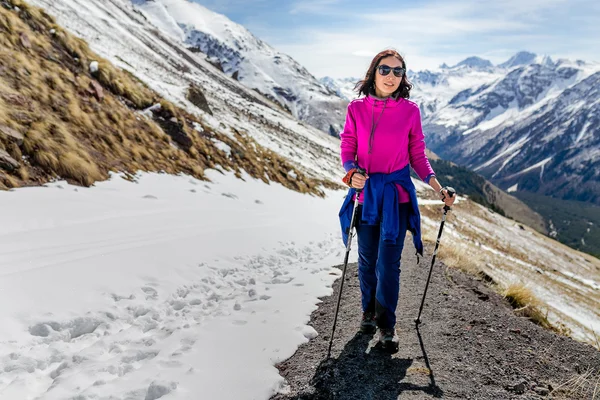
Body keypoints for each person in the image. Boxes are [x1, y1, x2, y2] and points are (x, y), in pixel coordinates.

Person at [338, 49, 456, 352]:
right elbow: (348, 147)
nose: (391, 76)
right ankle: (368, 311)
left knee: (388, 265)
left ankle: (387, 325)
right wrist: (351, 173)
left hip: (396, 197)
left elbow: (418, 155)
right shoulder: (356, 108)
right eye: (385, 69)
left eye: (398, 71)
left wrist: (438, 188)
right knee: (366, 261)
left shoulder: (410, 111)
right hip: (365, 195)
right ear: (373, 72)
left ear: (404, 77)